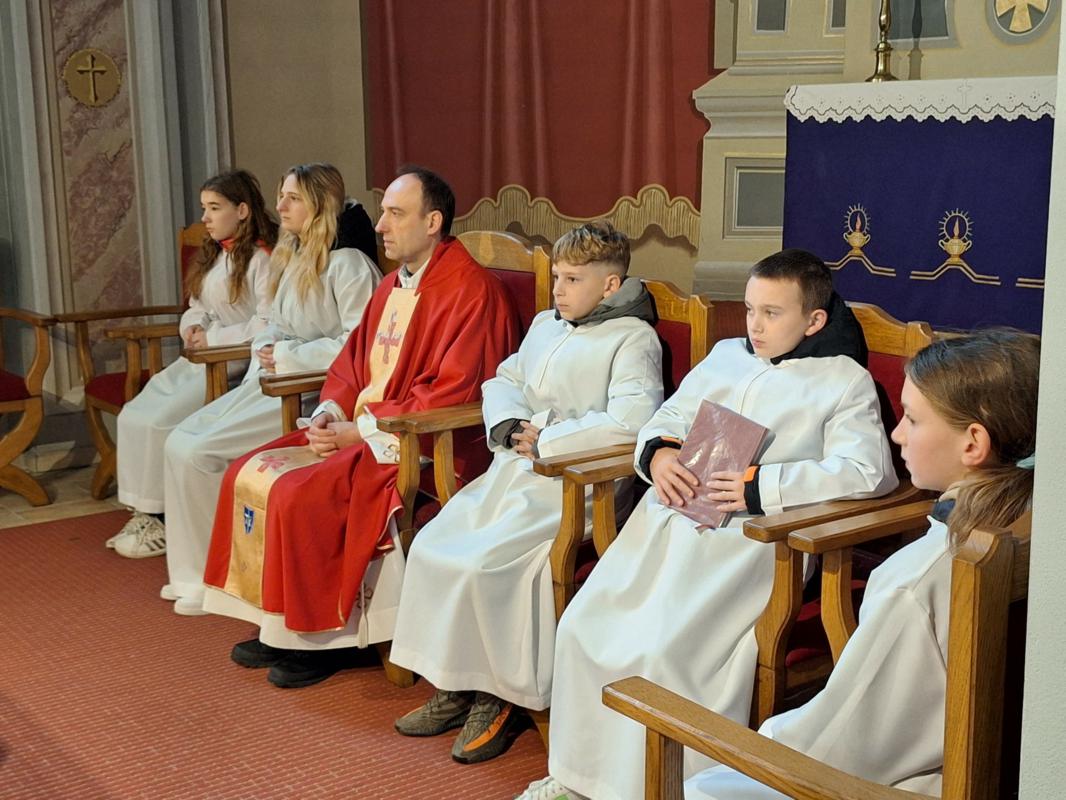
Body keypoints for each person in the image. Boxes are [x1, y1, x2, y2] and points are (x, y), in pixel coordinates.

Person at [517, 248, 900, 800]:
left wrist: (760, 486)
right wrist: (659, 455)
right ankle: (578, 778)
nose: (755, 326)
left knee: (660, 652)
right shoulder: (725, 356)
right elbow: (668, 415)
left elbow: (869, 471)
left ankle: (652, 788)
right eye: (750, 310)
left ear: (814, 320)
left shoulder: (843, 380)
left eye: (772, 313)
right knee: (582, 626)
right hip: (666, 524)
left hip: (750, 543)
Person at [200, 166, 522, 689]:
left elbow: (458, 391)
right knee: (252, 470)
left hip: (423, 443)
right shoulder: (393, 285)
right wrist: (329, 413)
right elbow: (352, 364)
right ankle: (281, 624)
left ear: (433, 222)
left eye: (395, 214)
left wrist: (363, 431)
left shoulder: (471, 292)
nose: (379, 226)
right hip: (364, 429)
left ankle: (326, 638)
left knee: (301, 492)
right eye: (382, 213)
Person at [684, 329, 1039, 799]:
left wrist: (753, 744)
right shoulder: (1033, 524)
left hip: (890, 782)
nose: (897, 433)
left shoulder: (919, 579)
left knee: (699, 785)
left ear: (973, 443)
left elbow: (835, 747)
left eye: (912, 419)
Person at [388, 221, 664, 764]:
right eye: (556, 277)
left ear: (611, 285)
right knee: (436, 545)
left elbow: (634, 421)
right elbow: (504, 380)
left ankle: (502, 697)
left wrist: (551, 439)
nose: (558, 289)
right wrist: (512, 424)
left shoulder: (634, 338)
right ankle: (456, 683)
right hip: (515, 473)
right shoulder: (545, 324)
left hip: (579, 486)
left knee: (489, 566)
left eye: (573, 279)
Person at [156, 163, 380, 614]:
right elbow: (273, 321)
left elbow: (361, 346)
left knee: (200, 454)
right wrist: (266, 345)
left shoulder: (349, 264)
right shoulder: (292, 255)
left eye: (292, 198)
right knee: (178, 440)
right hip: (272, 379)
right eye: (280, 196)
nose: (280, 206)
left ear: (320, 204)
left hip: (311, 392)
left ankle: (213, 580)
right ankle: (189, 575)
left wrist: (289, 356)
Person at [107, 169, 278, 558]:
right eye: (204, 207)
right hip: (201, 357)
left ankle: (161, 517)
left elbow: (269, 322)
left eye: (214, 208)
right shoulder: (216, 256)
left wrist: (213, 340)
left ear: (242, 210)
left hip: (232, 362)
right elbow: (197, 305)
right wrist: (194, 327)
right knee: (136, 413)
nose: (205, 217)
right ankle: (143, 512)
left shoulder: (262, 259)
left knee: (160, 420)